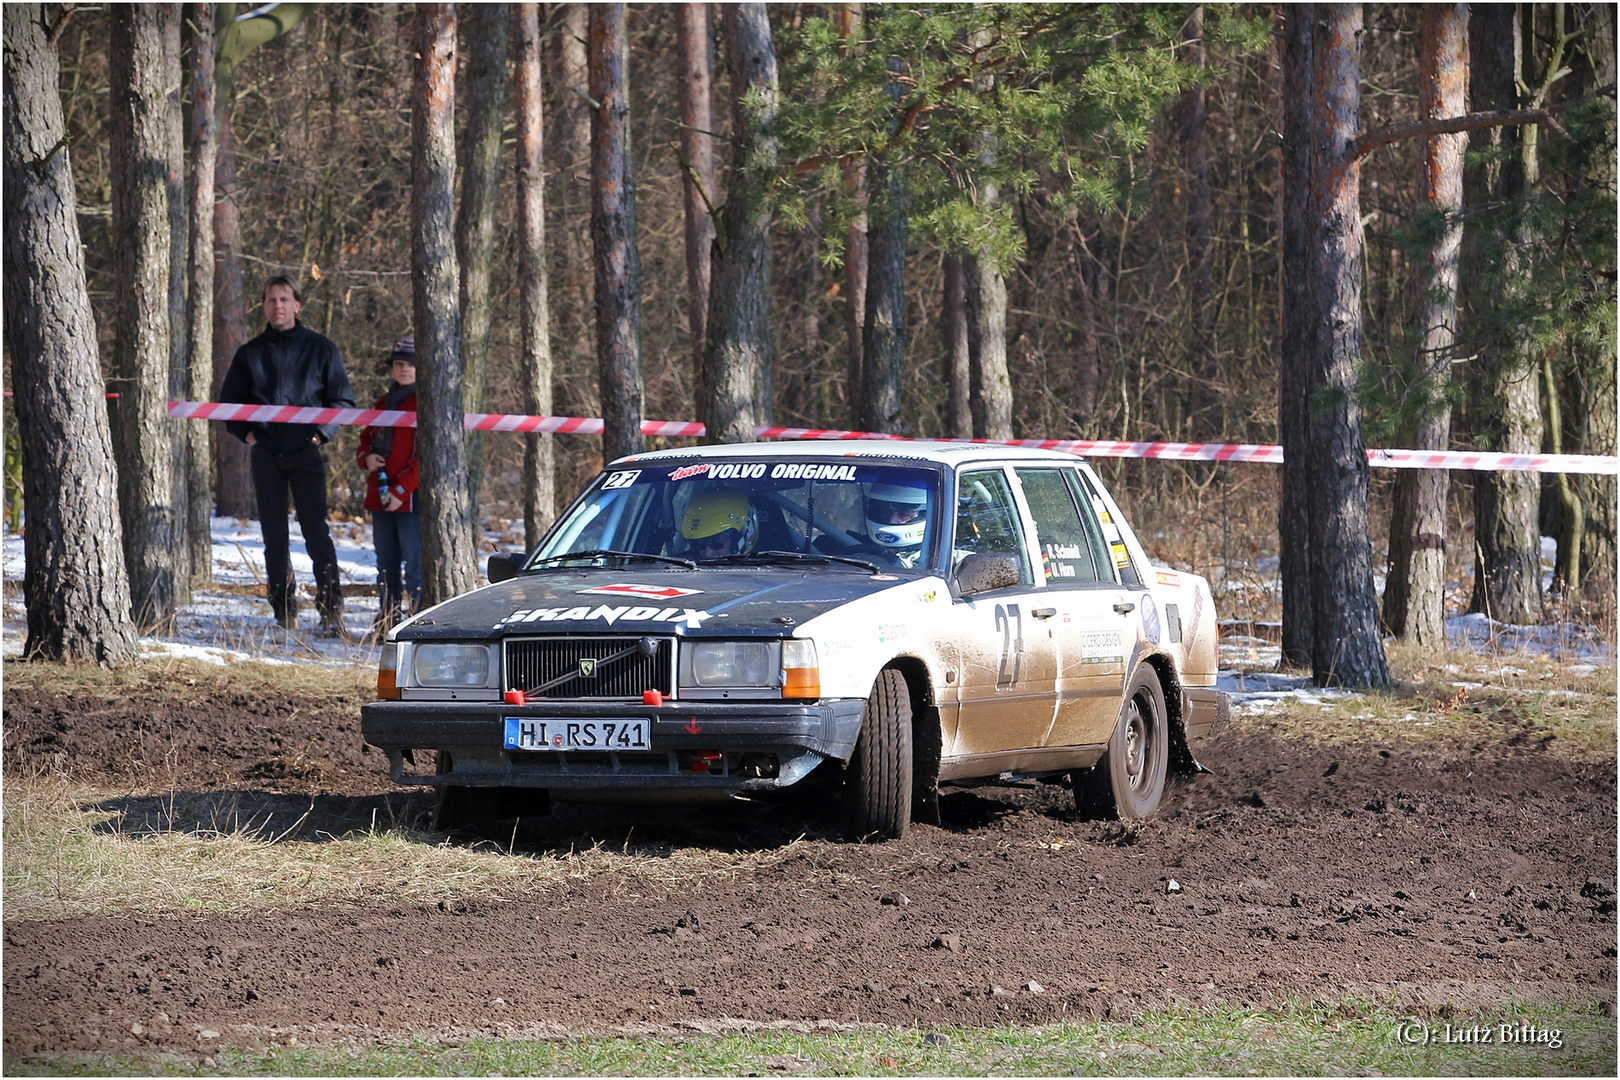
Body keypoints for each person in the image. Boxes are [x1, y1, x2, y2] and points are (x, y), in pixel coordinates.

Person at [219, 274, 356, 637]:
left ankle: (330, 613)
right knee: (274, 539)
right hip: (266, 454)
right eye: (270, 300)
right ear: (263, 306)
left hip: (306, 453)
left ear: (297, 304)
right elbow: (229, 403)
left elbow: (342, 402)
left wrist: (319, 435)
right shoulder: (250, 353)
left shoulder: (322, 348)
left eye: (284, 299)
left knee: (317, 536)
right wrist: (246, 433)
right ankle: (284, 612)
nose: (277, 306)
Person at [357, 337, 421, 629]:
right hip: (380, 498)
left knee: (415, 569)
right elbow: (364, 440)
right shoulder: (383, 402)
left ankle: (420, 623)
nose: (404, 369)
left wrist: (402, 489)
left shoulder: (426, 403)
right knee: (386, 566)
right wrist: (366, 458)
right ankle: (387, 621)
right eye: (399, 364)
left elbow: (427, 456)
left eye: (410, 364)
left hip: (409, 500)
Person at [860, 482, 929, 567]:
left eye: (903, 514)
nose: (892, 520)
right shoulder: (854, 544)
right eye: (885, 512)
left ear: (924, 514)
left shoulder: (933, 561)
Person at [680, 488, 760, 560]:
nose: (707, 554)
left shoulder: (769, 569)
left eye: (716, 545)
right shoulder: (679, 565)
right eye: (700, 546)